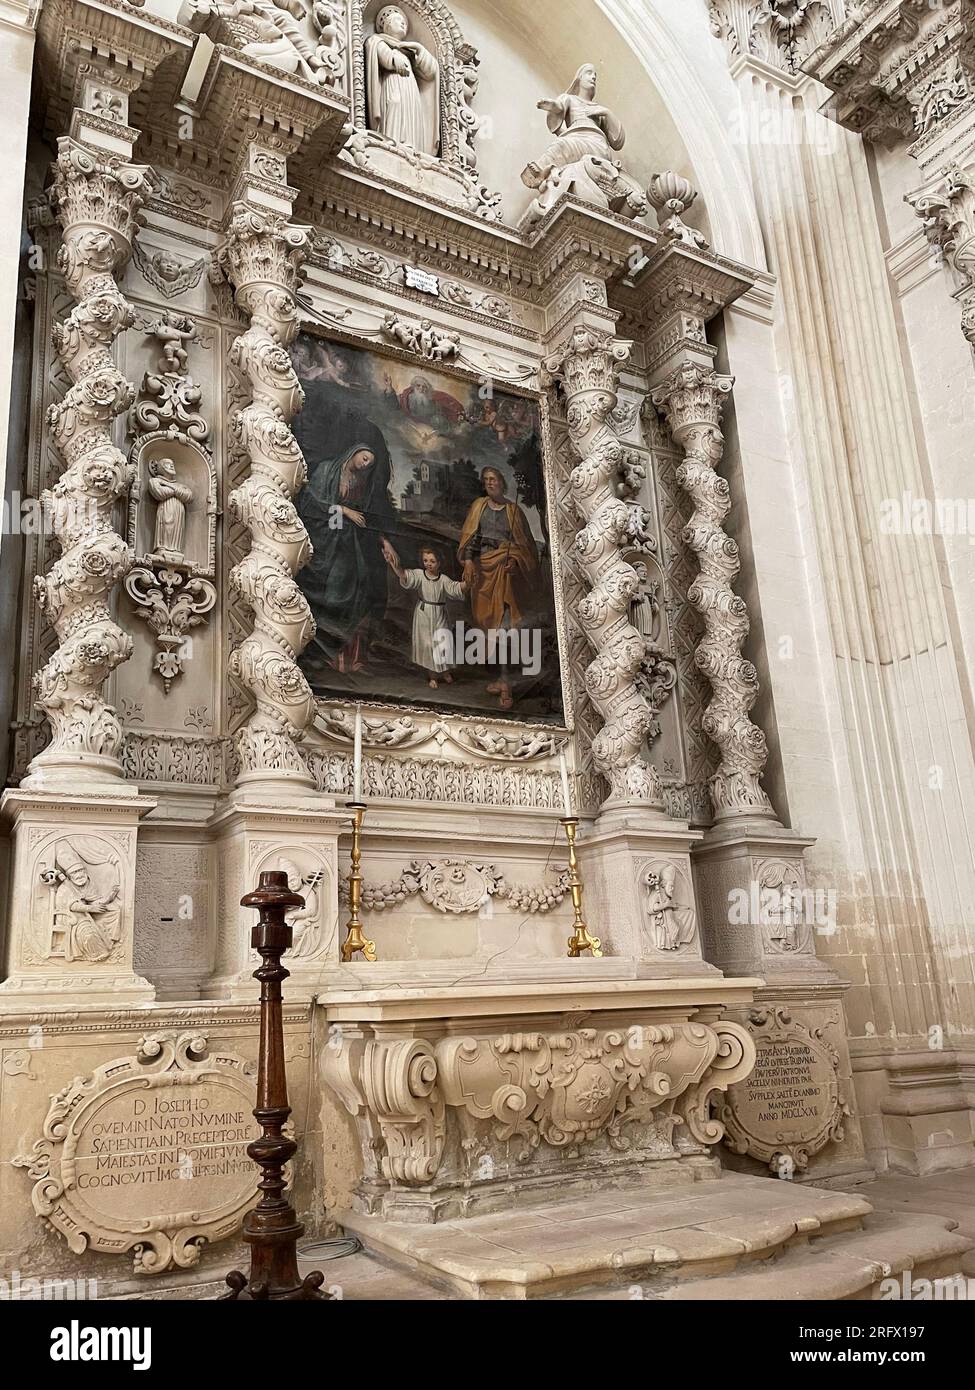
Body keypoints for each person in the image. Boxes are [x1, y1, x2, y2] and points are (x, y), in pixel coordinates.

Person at [297, 441, 399, 677]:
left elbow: (365, 519)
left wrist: (384, 542)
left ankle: (341, 655)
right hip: (323, 541)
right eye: (364, 458)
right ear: (353, 453)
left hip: (346, 543)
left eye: (370, 464)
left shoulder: (361, 484)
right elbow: (309, 504)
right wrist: (342, 510)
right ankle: (318, 653)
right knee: (331, 594)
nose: (365, 465)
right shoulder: (326, 471)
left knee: (356, 590)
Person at [457, 466, 539, 710]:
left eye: (493, 480)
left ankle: (506, 682)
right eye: (486, 481)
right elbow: (470, 538)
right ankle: (499, 678)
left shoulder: (514, 511)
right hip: (482, 571)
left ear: (502, 483)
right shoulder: (479, 506)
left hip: (505, 573)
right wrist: (470, 560)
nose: (489, 484)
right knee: (485, 623)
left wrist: (515, 561)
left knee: (504, 626)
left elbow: (525, 547)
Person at [384, 541, 467, 688]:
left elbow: (456, 588)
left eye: (432, 561)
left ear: (439, 562)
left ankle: (445, 671)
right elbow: (404, 575)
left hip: (440, 613)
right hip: (424, 614)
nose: (428, 564)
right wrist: (392, 563)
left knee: (443, 644)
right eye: (425, 560)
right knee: (429, 646)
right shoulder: (419, 575)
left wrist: (470, 581)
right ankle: (433, 676)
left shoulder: (443, 579)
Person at [364, 5, 439, 154]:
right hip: (392, 82)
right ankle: (391, 142)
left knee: (409, 112)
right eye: (398, 20)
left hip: (409, 87)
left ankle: (411, 147)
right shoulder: (377, 41)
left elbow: (431, 71)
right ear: (387, 25)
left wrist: (418, 49)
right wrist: (393, 58)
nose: (403, 23)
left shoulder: (409, 51)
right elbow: (381, 53)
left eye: (404, 22)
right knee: (394, 103)